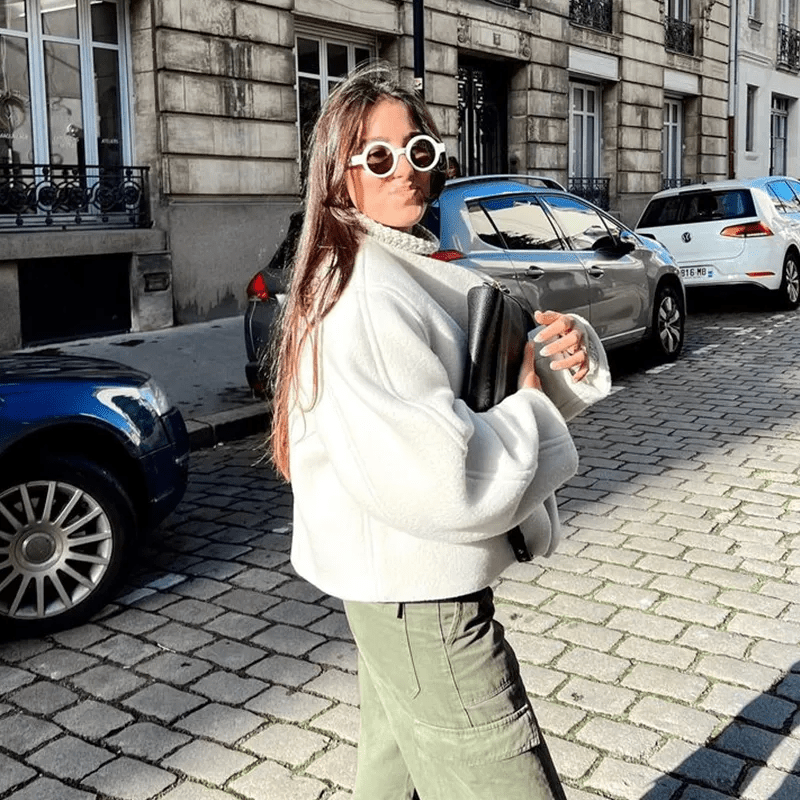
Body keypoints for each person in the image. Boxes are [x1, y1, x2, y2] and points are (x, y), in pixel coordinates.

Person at [270, 61, 611, 800]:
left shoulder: (393, 260)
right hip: (423, 599)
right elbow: (443, 480)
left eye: (417, 149)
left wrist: (557, 357)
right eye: (378, 157)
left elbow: (465, 389)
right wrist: (531, 407)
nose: (405, 170)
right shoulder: (367, 293)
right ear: (338, 175)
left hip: (394, 589)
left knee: (390, 782)